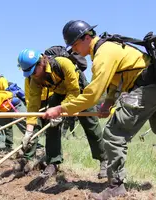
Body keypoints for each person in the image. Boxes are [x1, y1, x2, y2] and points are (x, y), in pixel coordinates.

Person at [42, 20, 153, 199]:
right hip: (150, 85)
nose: (74, 50)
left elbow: (91, 95)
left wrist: (61, 109)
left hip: (147, 87)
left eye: (75, 44)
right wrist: (109, 101)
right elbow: (118, 78)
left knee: (113, 134)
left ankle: (116, 185)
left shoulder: (103, 53)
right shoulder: (106, 49)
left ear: (87, 37)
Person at [17, 48, 107, 188]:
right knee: (51, 125)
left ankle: (104, 160)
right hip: (60, 93)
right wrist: (29, 131)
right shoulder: (34, 79)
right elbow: (33, 105)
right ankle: (53, 162)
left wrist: (61, 110)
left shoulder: (63, 64)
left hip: (79, 92)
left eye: (34, 72)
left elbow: (74, 91)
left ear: (41, 63)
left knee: (90, 125)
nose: (33, 76)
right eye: (29, 74)